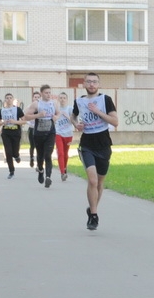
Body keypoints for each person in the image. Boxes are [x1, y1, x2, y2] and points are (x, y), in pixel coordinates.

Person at [71, 73, 118, 231]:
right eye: (89, 81)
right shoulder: (79, 101)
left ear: (99, 84)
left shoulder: (105, 100)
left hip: (103, 145)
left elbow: (115, 121)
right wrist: (76, 124)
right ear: (84, 84)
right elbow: (73, 116)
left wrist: (98, 111)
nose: (91, 84)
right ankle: (94, 215)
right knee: (92, 181)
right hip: (87, 145)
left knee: (99, 182)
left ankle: (92, 208)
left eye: (94, 82)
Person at [24, 85, 61, 188]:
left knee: (48, 155)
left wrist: (56, 117)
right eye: (46, 93)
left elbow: (58, 113)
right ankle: (40, 170)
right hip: (39, 133)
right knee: (40, 156)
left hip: (50, 132)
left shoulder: (54, 103)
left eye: (49, 92)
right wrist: (38, 115)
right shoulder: (36, 104)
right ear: (41, 94)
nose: (48, 95)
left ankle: (48, 177)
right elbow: (26, 116)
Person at [0, 93, 25, 179]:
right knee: (8, 152)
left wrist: (15, 122)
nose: (9, 99)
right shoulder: (2, 110)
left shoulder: (17, 110)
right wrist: (2, 122)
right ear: (5, 100)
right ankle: (11, 171)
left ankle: (17, 156)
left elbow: (24, 121)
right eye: (7, 98)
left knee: (15, 151)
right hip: (6, 132)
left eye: (10, 98)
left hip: (16, 132)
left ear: (12, 99)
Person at [54, 92, 74, 181]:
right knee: (60, 153)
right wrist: (57, 116)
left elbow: (74, 121)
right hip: (58, 133)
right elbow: (53, 119)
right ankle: (62, 172)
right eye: (61, 98)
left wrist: (67, 116)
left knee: (65, 153)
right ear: (58, 99)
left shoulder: (70, 109)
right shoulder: (56, 109)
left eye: (64, 98)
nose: (62, 100)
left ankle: (65, 168)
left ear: (67, 99)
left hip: (68, 134)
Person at [26, 91, 41, 168]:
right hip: (32, 128)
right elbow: (25, 116)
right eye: (35, 97)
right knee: (32, 145)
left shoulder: (42, 107)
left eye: (38, 97)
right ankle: (31, 158)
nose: (37, 98)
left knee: (39, 146)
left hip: (39, 128)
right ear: (32, 98)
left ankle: (39, 162)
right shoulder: (30, 107)